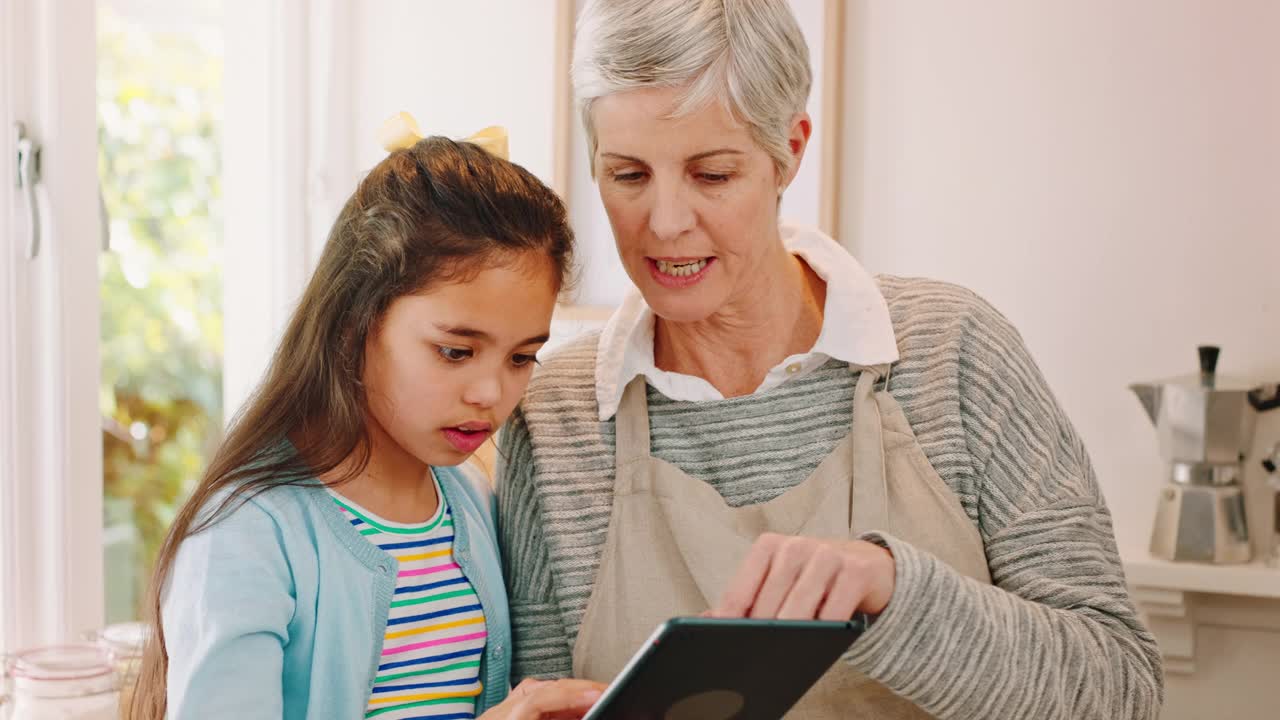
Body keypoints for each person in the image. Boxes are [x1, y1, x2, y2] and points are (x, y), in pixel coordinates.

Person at [496, 1, 1163, 718]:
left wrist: (895, 591)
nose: (664, 222)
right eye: (627, 176)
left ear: (791, 148)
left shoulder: (955, 352)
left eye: (712, 175)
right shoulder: (553, 412)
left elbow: (1122, 692)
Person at [130, 119, 605, 720]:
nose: (491, 392)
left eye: (522, 357)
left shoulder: (468, 501)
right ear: (356, 322)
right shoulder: (244, 535)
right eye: (455, 351)